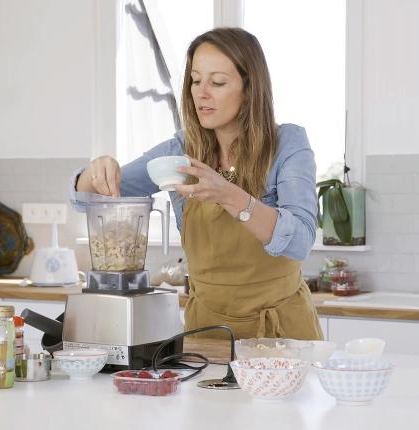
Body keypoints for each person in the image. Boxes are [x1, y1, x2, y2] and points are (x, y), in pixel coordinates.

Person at [70, 27, 322, 340]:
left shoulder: (288, 144)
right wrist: (95, 171)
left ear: (249, 89)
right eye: (195, 79)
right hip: (207, 332)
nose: (201, 93)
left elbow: (300, 241)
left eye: (217, 82)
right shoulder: (178, 152)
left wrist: (232, 196)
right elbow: (87, 198)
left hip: (282, 334)